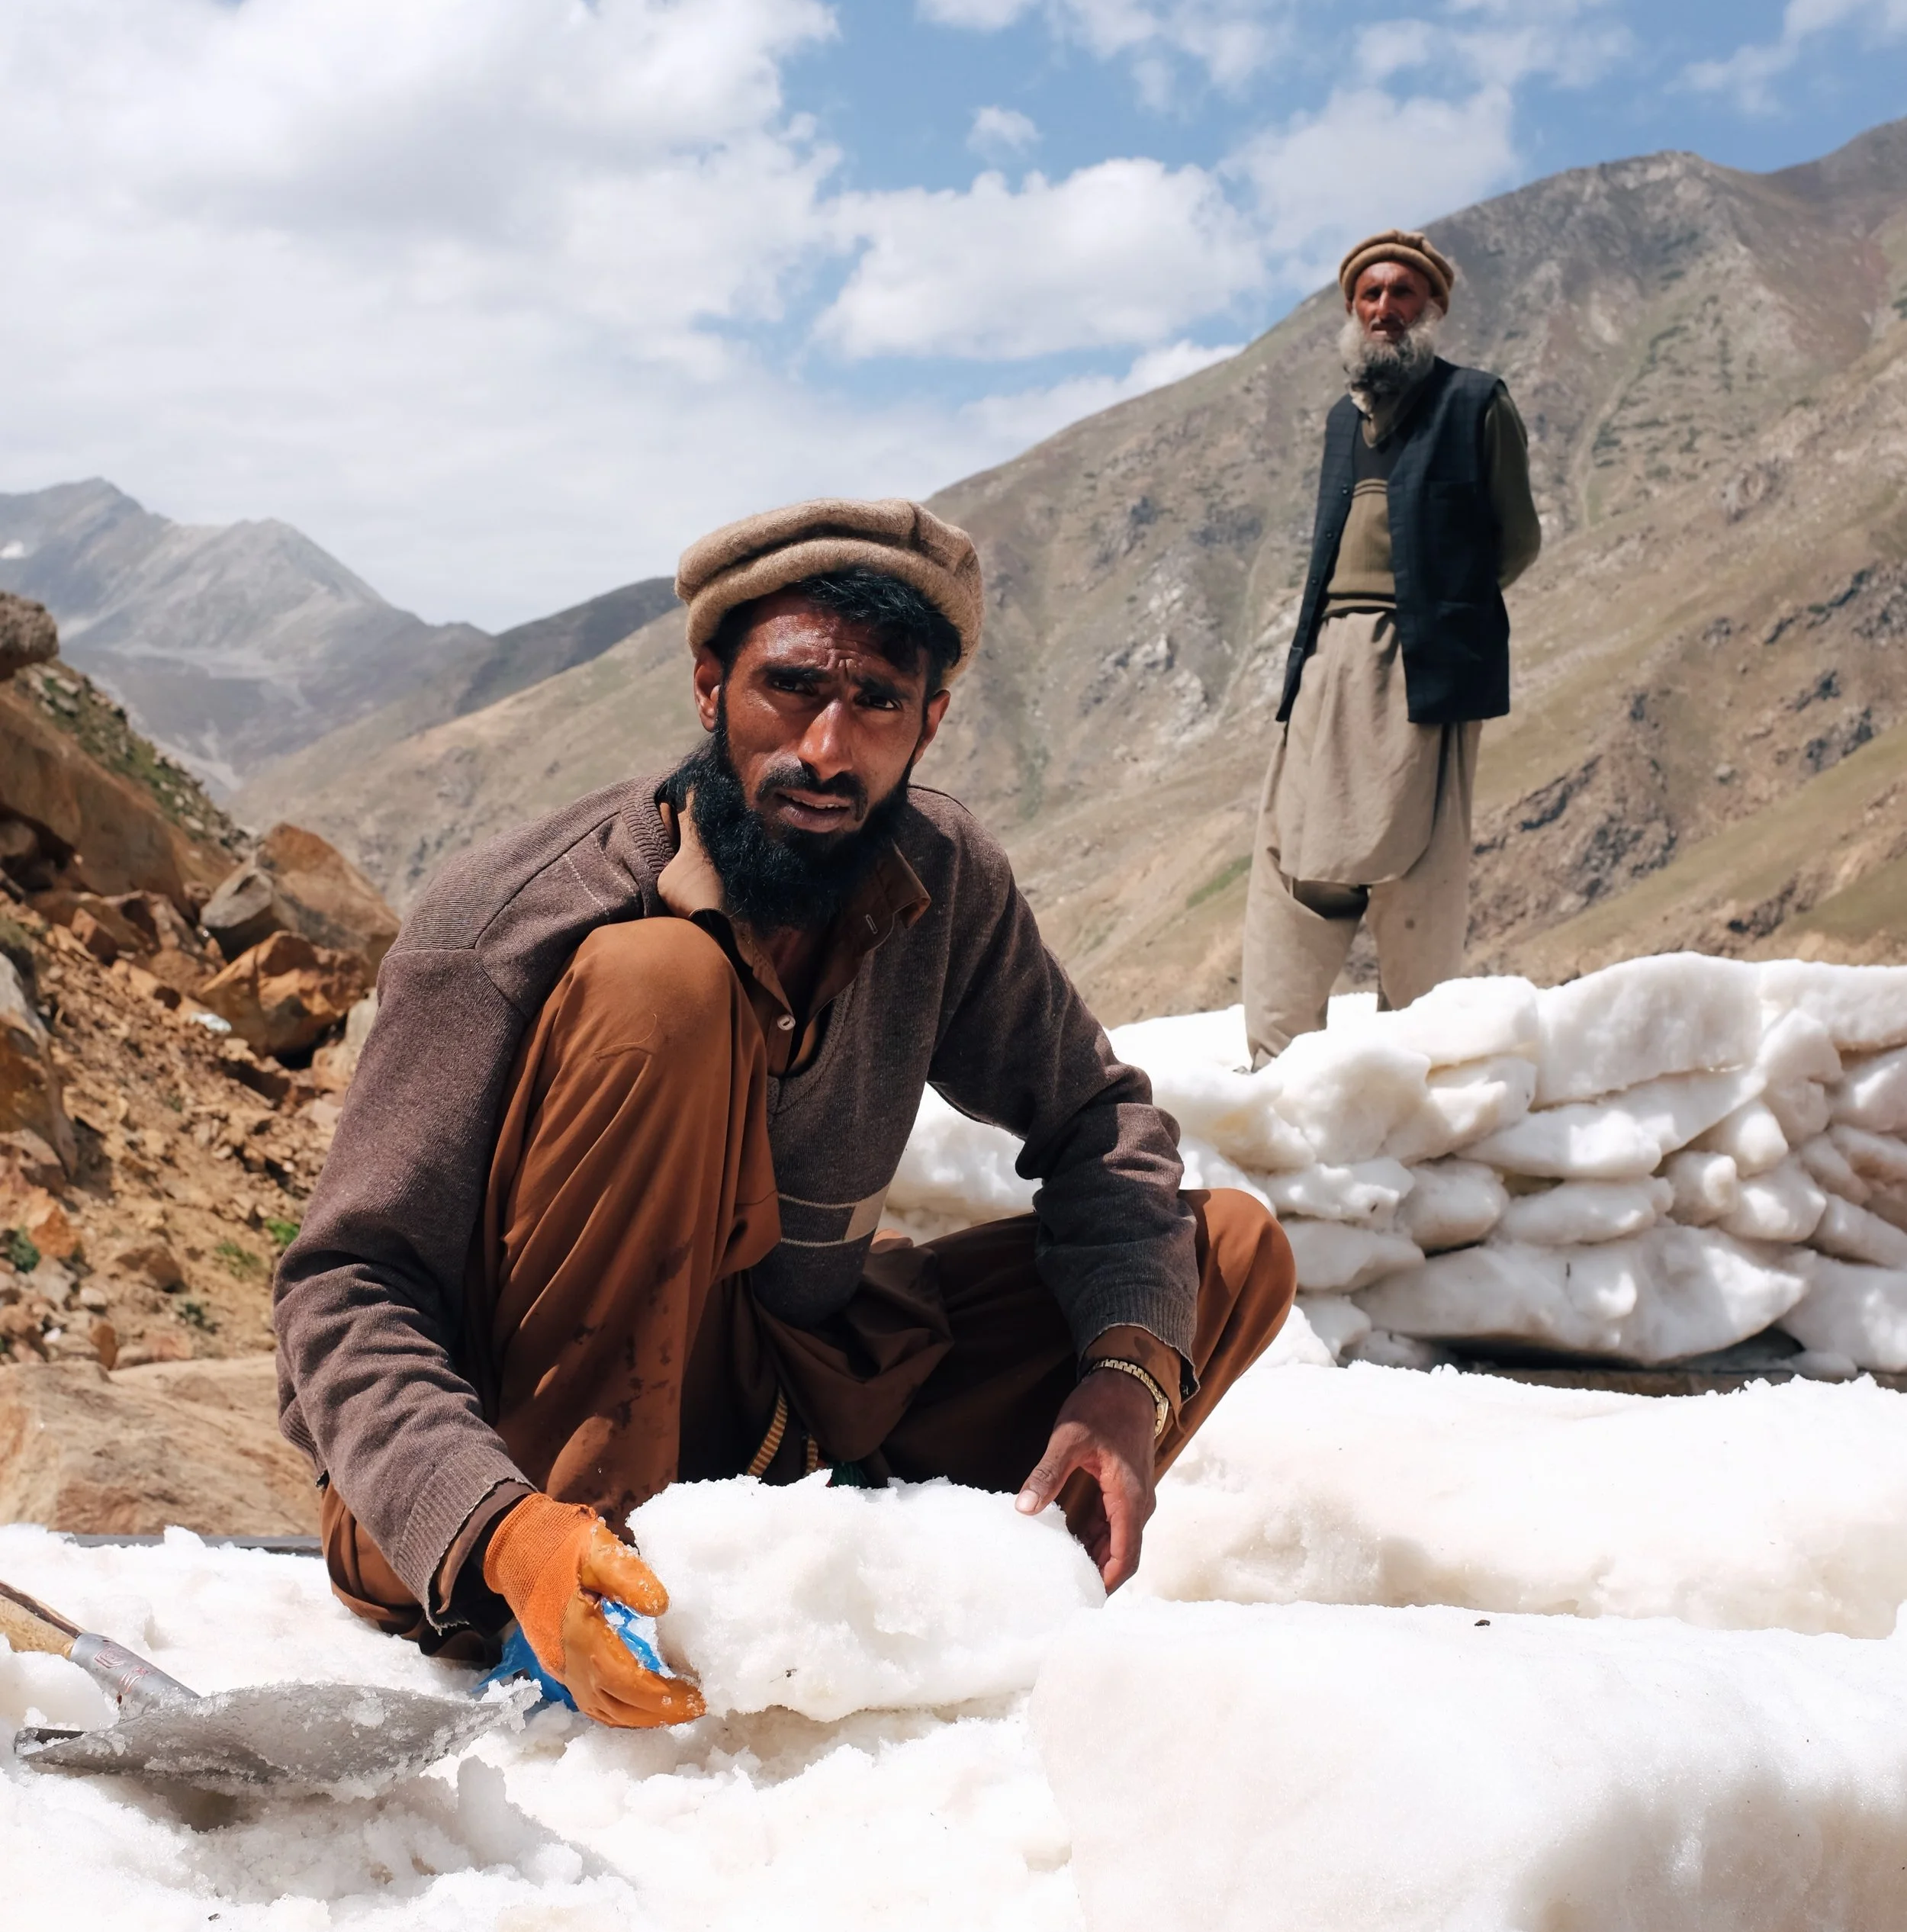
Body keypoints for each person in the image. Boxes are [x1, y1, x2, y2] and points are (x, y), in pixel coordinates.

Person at [277, 497, 1295, 1726]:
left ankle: (958, 1599)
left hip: (784, 1399)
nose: (826, 748)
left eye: (876, 702)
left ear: (930, 722)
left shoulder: (938, 876)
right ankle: (579, 1586)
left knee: (1225, 1253)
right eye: (791, 688)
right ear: (710, 686)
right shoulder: (512, 921)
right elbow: (343, 1285)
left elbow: (1099, 1126)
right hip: (500, 1469)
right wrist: (495, 1524)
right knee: (664, 987)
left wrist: (1124, 1377)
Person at [1241, 230, 1540, 1065]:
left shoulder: (1476, 403)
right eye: (1370, 294)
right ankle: (1277, 1062)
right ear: (1351, 309)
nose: (1384, 308)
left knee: (1421, 863)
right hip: (1326, 662)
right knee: (1292, 853)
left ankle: (1420, 1058)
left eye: (1402, 293)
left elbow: (1517, 538)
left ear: (1431, 308)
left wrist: (1443, 618)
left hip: (1423, 666)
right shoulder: (1343, 419)